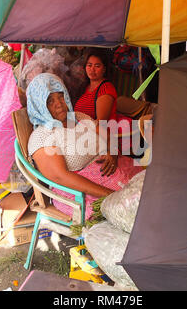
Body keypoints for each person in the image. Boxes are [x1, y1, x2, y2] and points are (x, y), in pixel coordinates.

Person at [27, 73, 143, 220]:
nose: (59, 103)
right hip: (80, 192)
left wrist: (112, 152)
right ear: (39, 106)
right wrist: (110, 195)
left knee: (152, 189)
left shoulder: (77, 117)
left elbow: (106, 135)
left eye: (60, 96)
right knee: (136, 208)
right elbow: (60, 177)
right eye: (50, 101)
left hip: (113, 170)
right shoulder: (41, 136)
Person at [74, 49, 117, 121]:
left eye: (97, 66)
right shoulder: (84, 87)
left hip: (97, 131)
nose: (92, 69)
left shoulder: (106, 89)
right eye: (89, 65)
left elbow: (100, 123)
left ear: (104, 69)